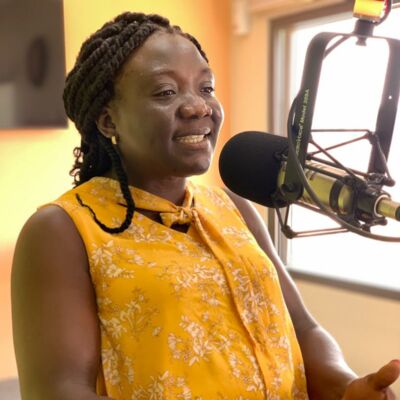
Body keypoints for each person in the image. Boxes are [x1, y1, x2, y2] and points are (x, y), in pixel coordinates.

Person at [11, 11, 399, 400]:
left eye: (206, 87)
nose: (198, 107)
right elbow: (58, 390)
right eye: (166, 92)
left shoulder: (233, 207)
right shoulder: (62, 230)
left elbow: (303, 328)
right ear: (108, 121)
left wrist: (346, 386)